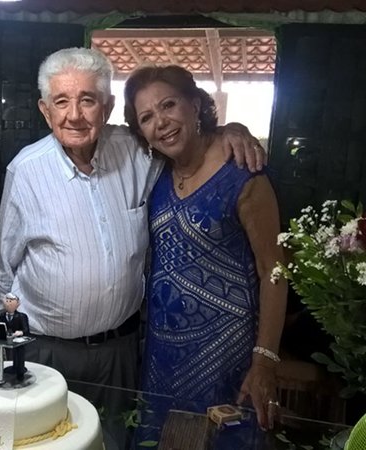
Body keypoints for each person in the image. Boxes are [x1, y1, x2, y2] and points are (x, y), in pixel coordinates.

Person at [0, 48, 266, 396]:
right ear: (45, 110)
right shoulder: (26, 170)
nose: (74, 115)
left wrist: (229, 131)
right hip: (45, 350)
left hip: (119, 351)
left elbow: (185, 142)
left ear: (108, 106)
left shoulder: (137, 150)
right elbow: (2, 268)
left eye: (87, 100)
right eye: (61, 102)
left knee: (116, 430)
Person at [122, 65, 287, 431]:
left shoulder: (243, 172)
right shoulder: (156, 174)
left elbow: (273, 271)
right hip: (161, 353)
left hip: (226, 354)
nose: (161, 122)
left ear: (195, 104)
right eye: (146, 117)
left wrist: (264, 361)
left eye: (169, 105)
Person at [0, 293, 30, 381]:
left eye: (11, 301)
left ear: (17, 304)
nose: (8, 303)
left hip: (18, 340)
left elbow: (26, 330)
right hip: (6, 339)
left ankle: (20, 372)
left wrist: (20, 332)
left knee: (19, 352)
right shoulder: (2, 315)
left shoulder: (22, 316)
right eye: (7, 301)